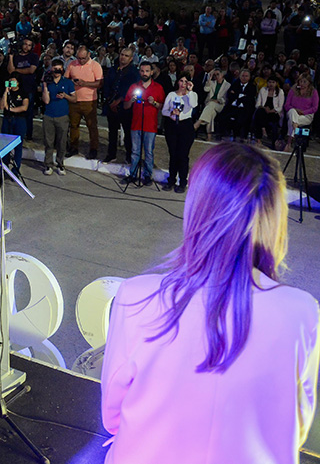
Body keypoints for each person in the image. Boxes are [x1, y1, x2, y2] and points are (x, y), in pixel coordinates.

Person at [101, 142, 319, 464]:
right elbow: (295, 426)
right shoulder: (302, 312)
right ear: (275, 219)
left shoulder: (135, 296)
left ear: (198, 207)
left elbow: (112, 416)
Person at [123, 61, 165, 186]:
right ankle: (133, 174)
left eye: (147, 71)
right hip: (136, 124)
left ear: (151, 72)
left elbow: (163, 106)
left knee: (148, 152)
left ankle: (147, 175)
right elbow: (125, 106)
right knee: (135, 151)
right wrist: (131, 100)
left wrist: (154, 103)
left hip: (150, 125)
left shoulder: (158, 87)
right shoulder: (134, 87)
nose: (144, 73)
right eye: (142, 71)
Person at [161, 73, 198, 192]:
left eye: (186, 81)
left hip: (185, 126)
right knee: (173, 154)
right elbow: (164, 111)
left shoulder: (192, 95)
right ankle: (171, 180)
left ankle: (182, 182)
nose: (183, 84)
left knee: (183, 155)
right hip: (172, 125)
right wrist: (171, 113)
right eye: (181, 81)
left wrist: (190, 91)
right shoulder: (171, 94)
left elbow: (193, 104)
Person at [65, 46, 104, 159]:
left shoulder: (95, 65)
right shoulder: (72, 64)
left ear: (89, 55)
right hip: (74, 100)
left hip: (89, 101)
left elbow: (100, 83)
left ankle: (93, 148)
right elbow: (65, 79)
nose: (81, 61)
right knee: (73, 125)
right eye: (79, 58)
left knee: (92, 126)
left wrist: (85, 83)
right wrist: (71, 82)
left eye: (83, 58)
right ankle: (73, 147)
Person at [102, 49, 140, 164]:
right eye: (122, 55)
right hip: (111, 104)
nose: (123, 57)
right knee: (112, 132)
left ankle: (129, 156)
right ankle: (111, 154)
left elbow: (132, 89)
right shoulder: (113, 70)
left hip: (125, 106)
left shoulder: (134, 73)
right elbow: (106, 85)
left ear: (131, 58)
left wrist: (119, 100)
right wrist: (110, 101)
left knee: (128, 133)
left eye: (126, 56)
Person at [7, 37, 39, 140]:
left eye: (29, 45)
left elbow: (31, 70)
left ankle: (28, 134)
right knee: (13, 110)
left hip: (29, 88)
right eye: (25, 44)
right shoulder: (16, 56)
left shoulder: (34, 56)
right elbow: (10, 71)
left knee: (28, 112)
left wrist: (16, 70)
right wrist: (11, 57)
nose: (26, 47)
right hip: (15, 88)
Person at [0, 73, 29, 176]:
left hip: (19, 119)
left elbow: (24, 107)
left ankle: (16, 169)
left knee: (18, 146)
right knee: (5, 144)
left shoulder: (23, 92)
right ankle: (4, 168)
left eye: (13, 81)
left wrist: (11, 109)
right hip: (7, 119)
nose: (11, 83)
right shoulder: (6, 92)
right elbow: (2, 106)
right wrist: (5, 92)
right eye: (10, 81)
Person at [215, 68, 257, 140]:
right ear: (240, 76)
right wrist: (242, 96)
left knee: (242, 118)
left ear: (249, 77)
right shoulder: (235, 84)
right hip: (233, 106)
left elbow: (249, 98)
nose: (244, 78)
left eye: (246, 76)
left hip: (244, 108)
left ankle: (240, 136)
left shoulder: (252, 87)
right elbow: (230, 95)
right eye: (242, 76)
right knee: (223, 115)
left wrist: (237, 95)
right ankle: (222, 133)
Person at [283, 74, 318, 150]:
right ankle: (294, 129)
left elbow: (315, 108)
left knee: (292, 121)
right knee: (292, 112)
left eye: (304, 82)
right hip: (293, 112)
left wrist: (303, 112)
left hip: (306, 115)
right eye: (300, 81)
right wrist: (296, 110)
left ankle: (289, 142)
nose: (302, 83)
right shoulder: (293, 90)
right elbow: (287, 105)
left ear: (309, 82)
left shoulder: (313, 92)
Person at [194, 69, 230, 141]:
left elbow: (226, 98)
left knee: (211, 105)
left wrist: (217, 101)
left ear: (222, 75)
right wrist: (209, 80)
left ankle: (198, 122)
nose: (216, 76)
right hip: (210, 105)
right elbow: (206, 89)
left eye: (218, 74)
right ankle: (209, 136)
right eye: (214, 75)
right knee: (211, 114)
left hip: (220, 105)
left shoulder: (227, 85)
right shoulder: (212, 83)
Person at [252, 78, 284, 146]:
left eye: (273, 82)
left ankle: (260, 136)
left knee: (260, 116)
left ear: (276, 83)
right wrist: (265, 108)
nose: (271, 84)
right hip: (263, 112)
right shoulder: (263, 90)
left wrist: (270, 111)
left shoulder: (280, 91)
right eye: (269, 82)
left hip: (274, 113)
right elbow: (257, 104)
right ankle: (263, 130)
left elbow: (280, 108)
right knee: (259, 112)